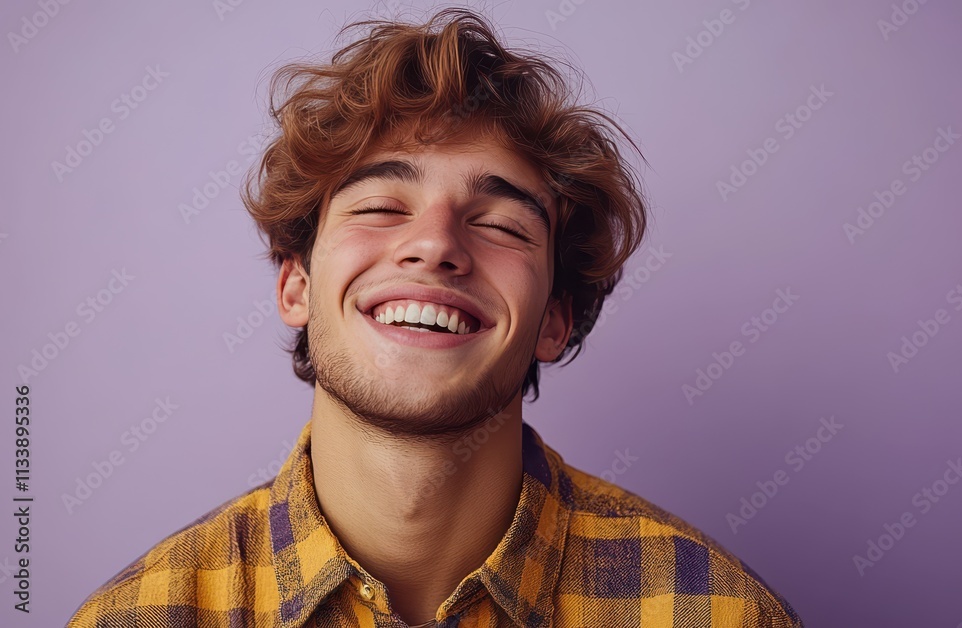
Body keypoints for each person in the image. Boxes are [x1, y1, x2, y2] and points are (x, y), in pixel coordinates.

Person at [69, 7, 802, 627]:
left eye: (502, 226)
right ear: (296, 285)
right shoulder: (140, 614)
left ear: (553, 319)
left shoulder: (715, 612)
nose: (435, 245)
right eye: (382, 207)